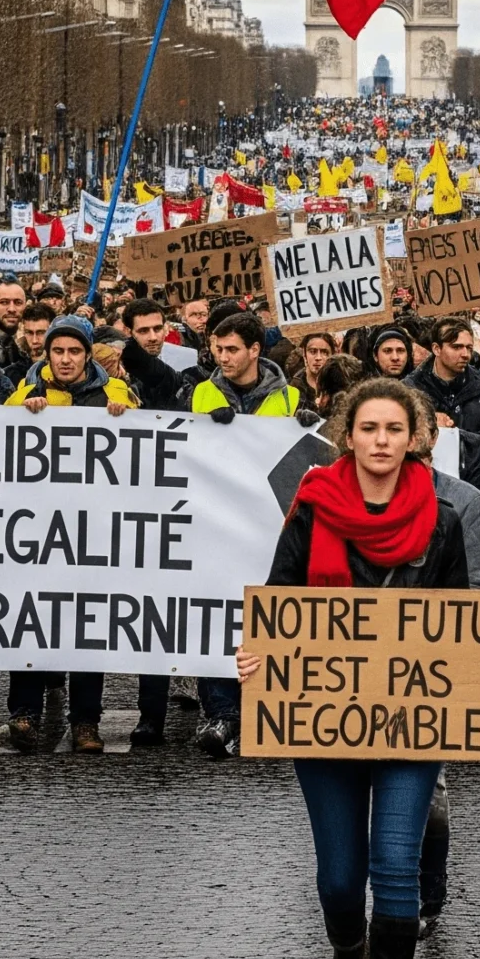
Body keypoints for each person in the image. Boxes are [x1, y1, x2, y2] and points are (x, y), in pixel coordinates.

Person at [235, 378, 480, 959]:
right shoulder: (312, 508)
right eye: (369, 428)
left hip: (412, 722)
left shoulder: (447, 516)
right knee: (341, 880)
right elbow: (280, 602)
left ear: (415, 437)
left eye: (394, 429)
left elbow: (469, 615)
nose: (382, 441)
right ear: (348, 435)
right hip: (324, 720)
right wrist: (257, 656)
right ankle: (347, 949)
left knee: (395, 868)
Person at [0, 316, 135, 752]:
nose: (66, 359)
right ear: (47, 353)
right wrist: (23, 413)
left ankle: (86, 723)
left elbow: (143, 447)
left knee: (87, 627)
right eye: (58, 351)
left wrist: (125, 418)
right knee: (31, 620)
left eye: (74, 351)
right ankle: (24, 714)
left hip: (92, 533)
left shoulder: (115, 393)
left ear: (88, 354)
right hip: (37, 532)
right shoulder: (24, 392)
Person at [184, 311, 302, 756]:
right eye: (218, 348)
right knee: (215, 617)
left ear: (255, 350)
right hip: (215, 526)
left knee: (268, 615)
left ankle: (267, 707)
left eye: (232, 349)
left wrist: (308, 426)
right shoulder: (201, 392)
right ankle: (222, 713)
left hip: (272, 531)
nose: (223, 357)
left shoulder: (291, 397)